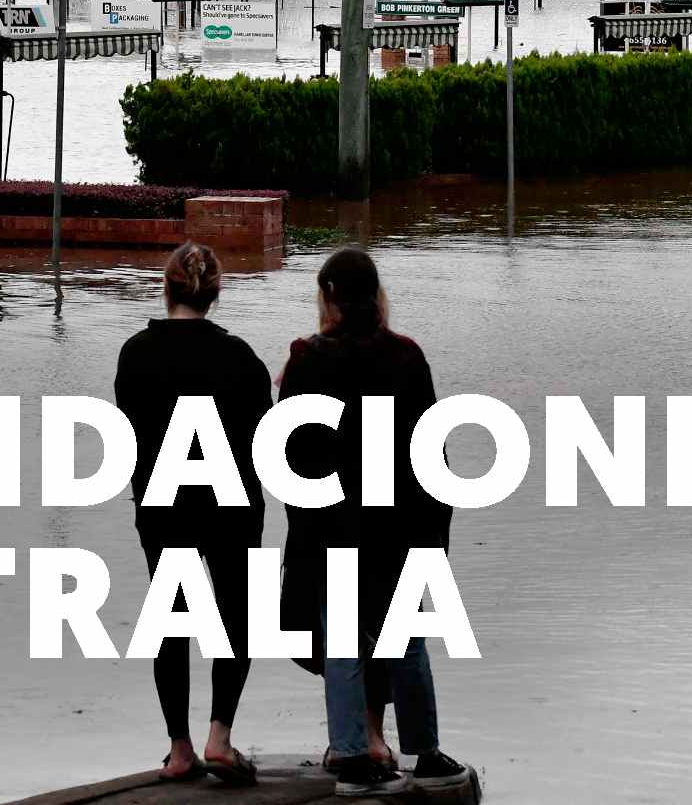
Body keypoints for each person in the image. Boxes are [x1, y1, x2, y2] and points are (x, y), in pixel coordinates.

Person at [278, 246, 471, 798]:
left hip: (333, 525)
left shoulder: (306, 360)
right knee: (406, 640)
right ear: (377, 293)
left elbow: (290, 453)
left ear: (328, 299)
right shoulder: (407, 356)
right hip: (401, 525)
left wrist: (302, 526)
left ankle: (351, 753)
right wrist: (436, 531)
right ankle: (427, 752)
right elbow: (429, 451)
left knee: (342, 639)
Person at [113, 242, 271, 787]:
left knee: (170, 622)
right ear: (216, 293)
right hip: (231, 505)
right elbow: (261, 442)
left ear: (167, 287)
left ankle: (179, 748)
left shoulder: (135, 354)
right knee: (235, 618)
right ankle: (219, 737)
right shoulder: (242, 358)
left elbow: (130, 437)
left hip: (163, 504)